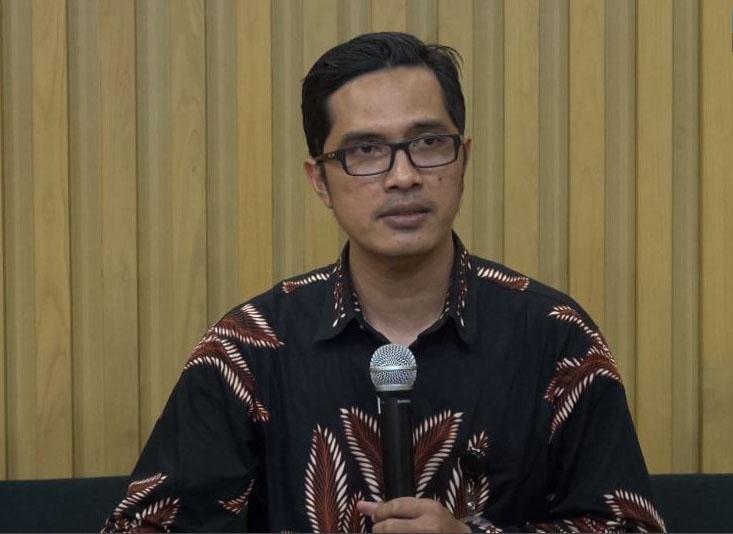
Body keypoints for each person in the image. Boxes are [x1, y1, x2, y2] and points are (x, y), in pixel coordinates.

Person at [103, 32, 664, 533]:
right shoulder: (252, 346)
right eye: (365, 151)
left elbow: (629, 527)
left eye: (428, 143)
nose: (403, 176)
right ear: (319, 180)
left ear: (463, 160)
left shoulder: (553, 336)